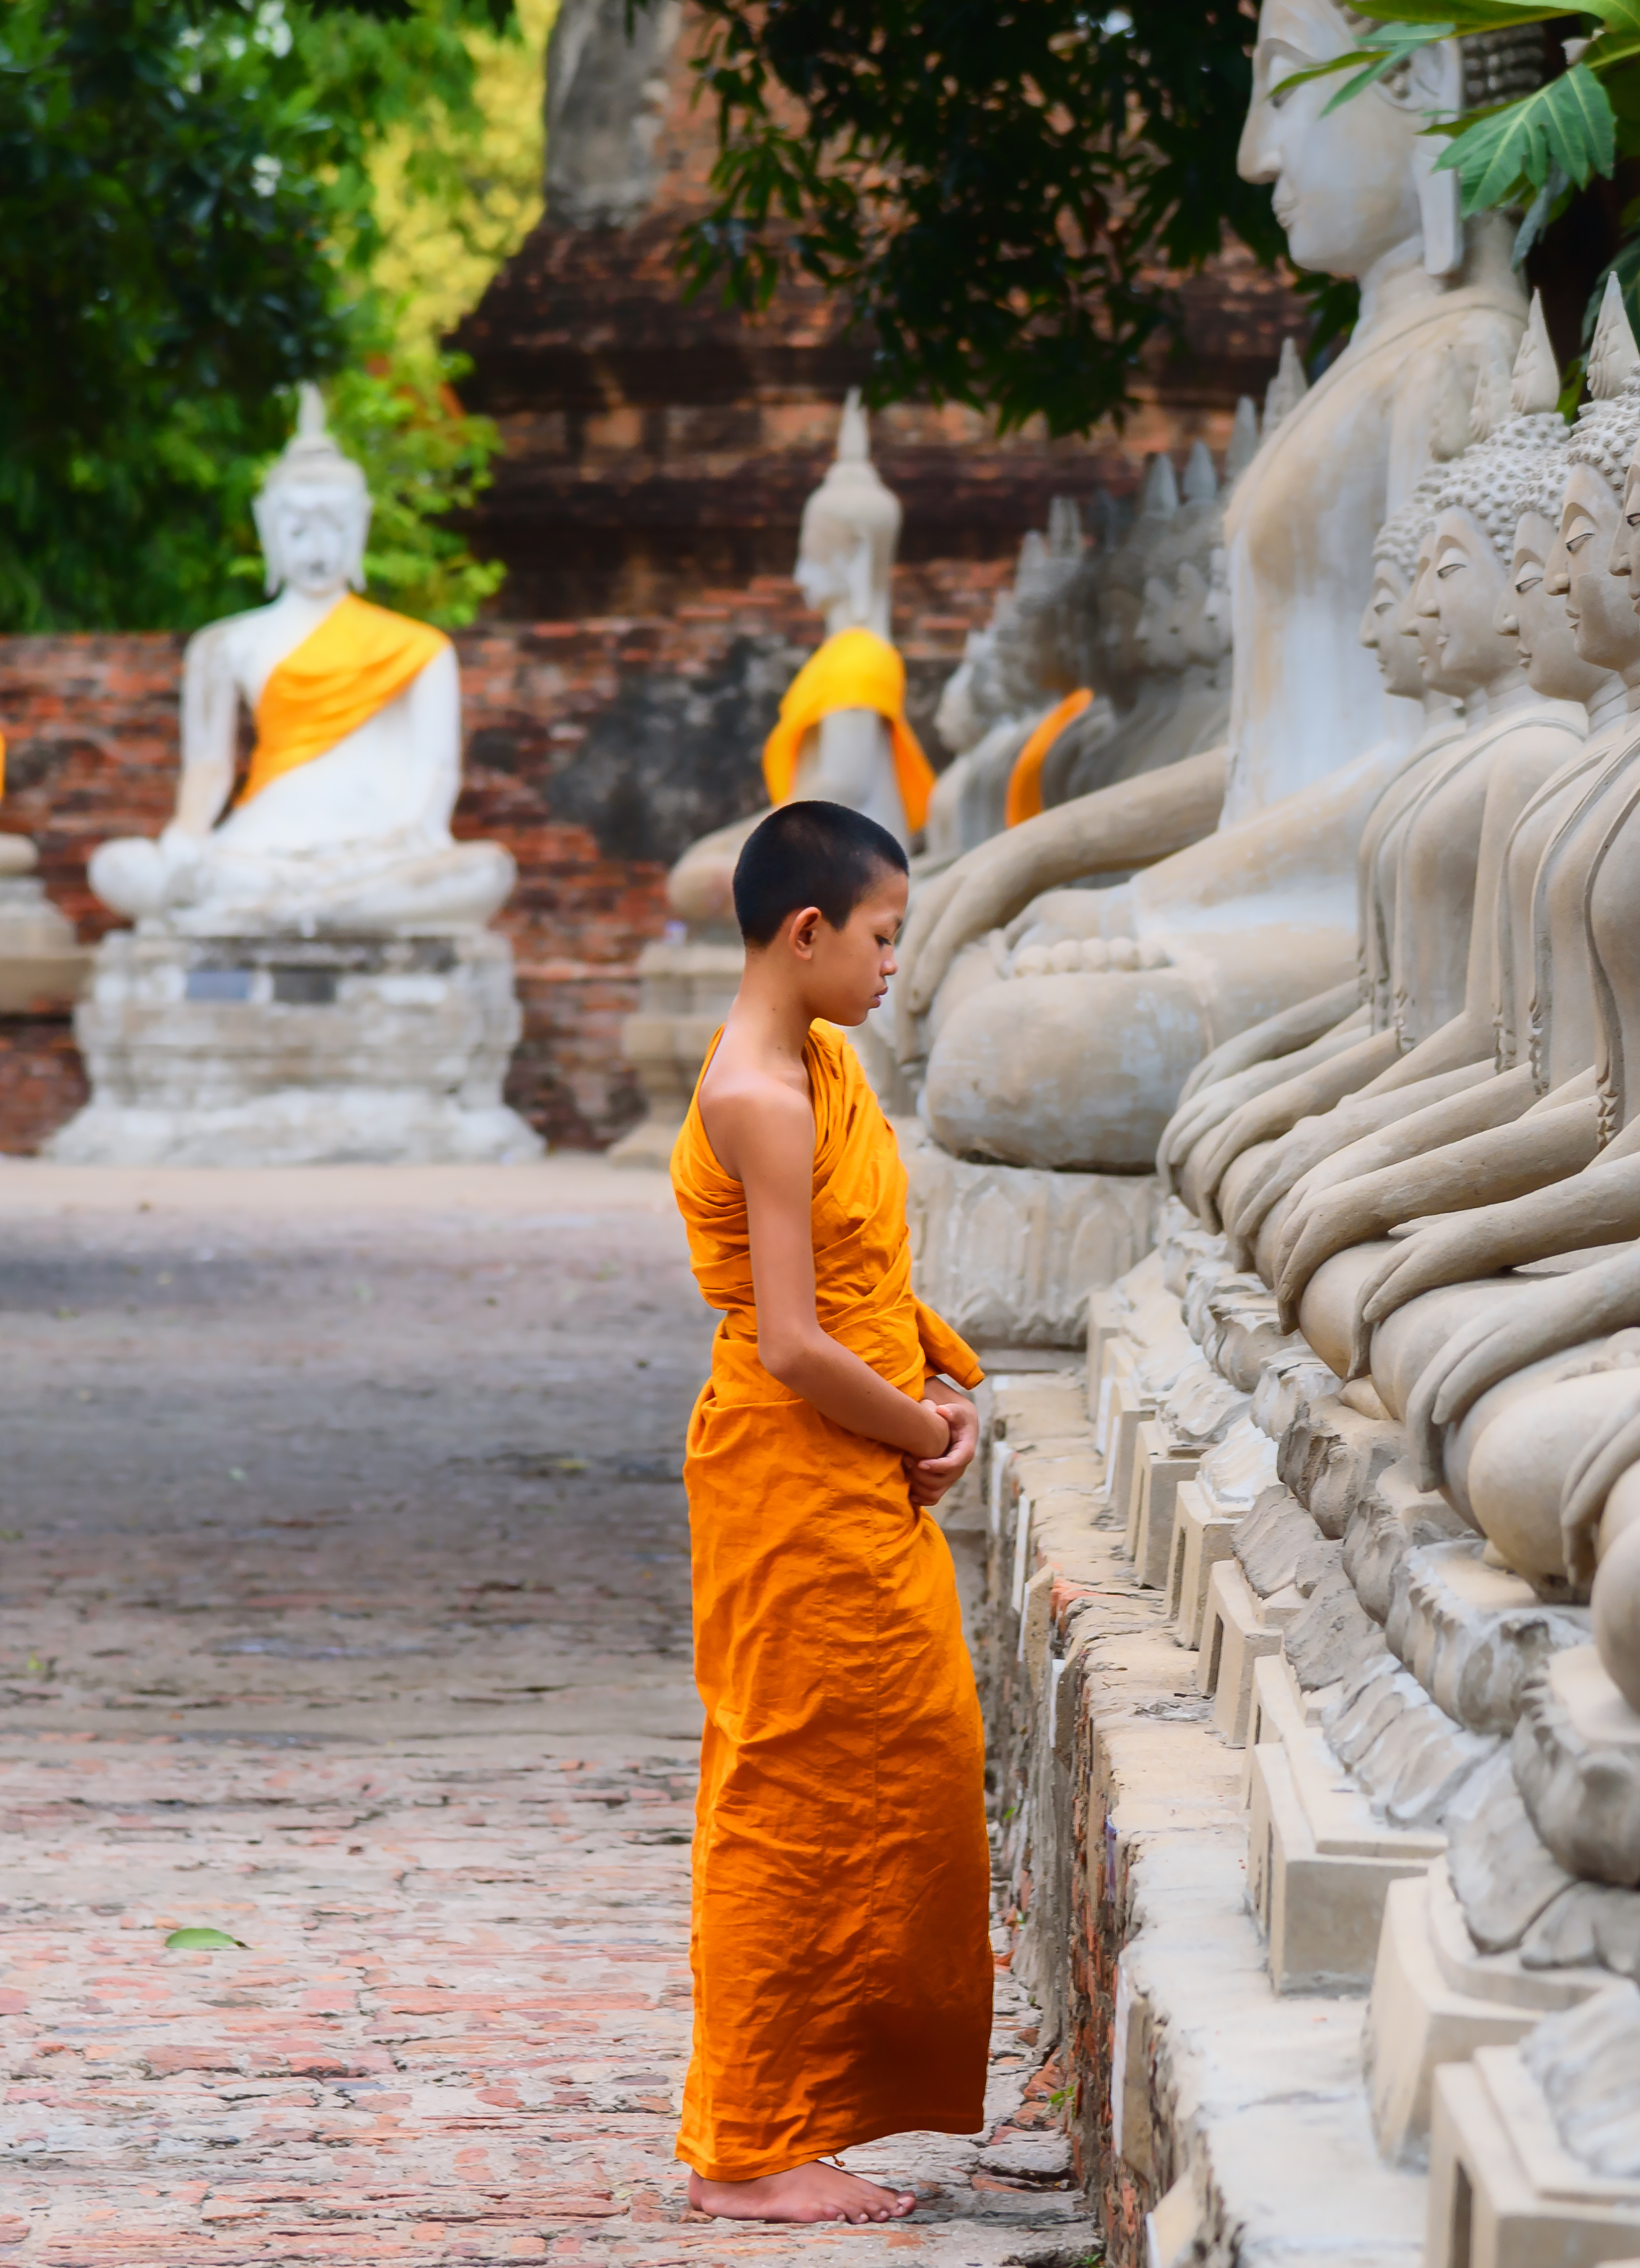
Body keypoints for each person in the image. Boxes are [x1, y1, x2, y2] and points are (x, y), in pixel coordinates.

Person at [668, 799, 990, 2224]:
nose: (889, 966)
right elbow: (796, 1337)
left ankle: (821, 2102)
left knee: (909, 1762)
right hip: (795, 1464)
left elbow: (867, 1277)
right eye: (879, 937)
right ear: (806, 932)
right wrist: (922, 1425)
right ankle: (744, 2142)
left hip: (861, 1449)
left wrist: (939, 1383)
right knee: (786, 1785)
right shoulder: (762, 1092)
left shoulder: (823, 1061)